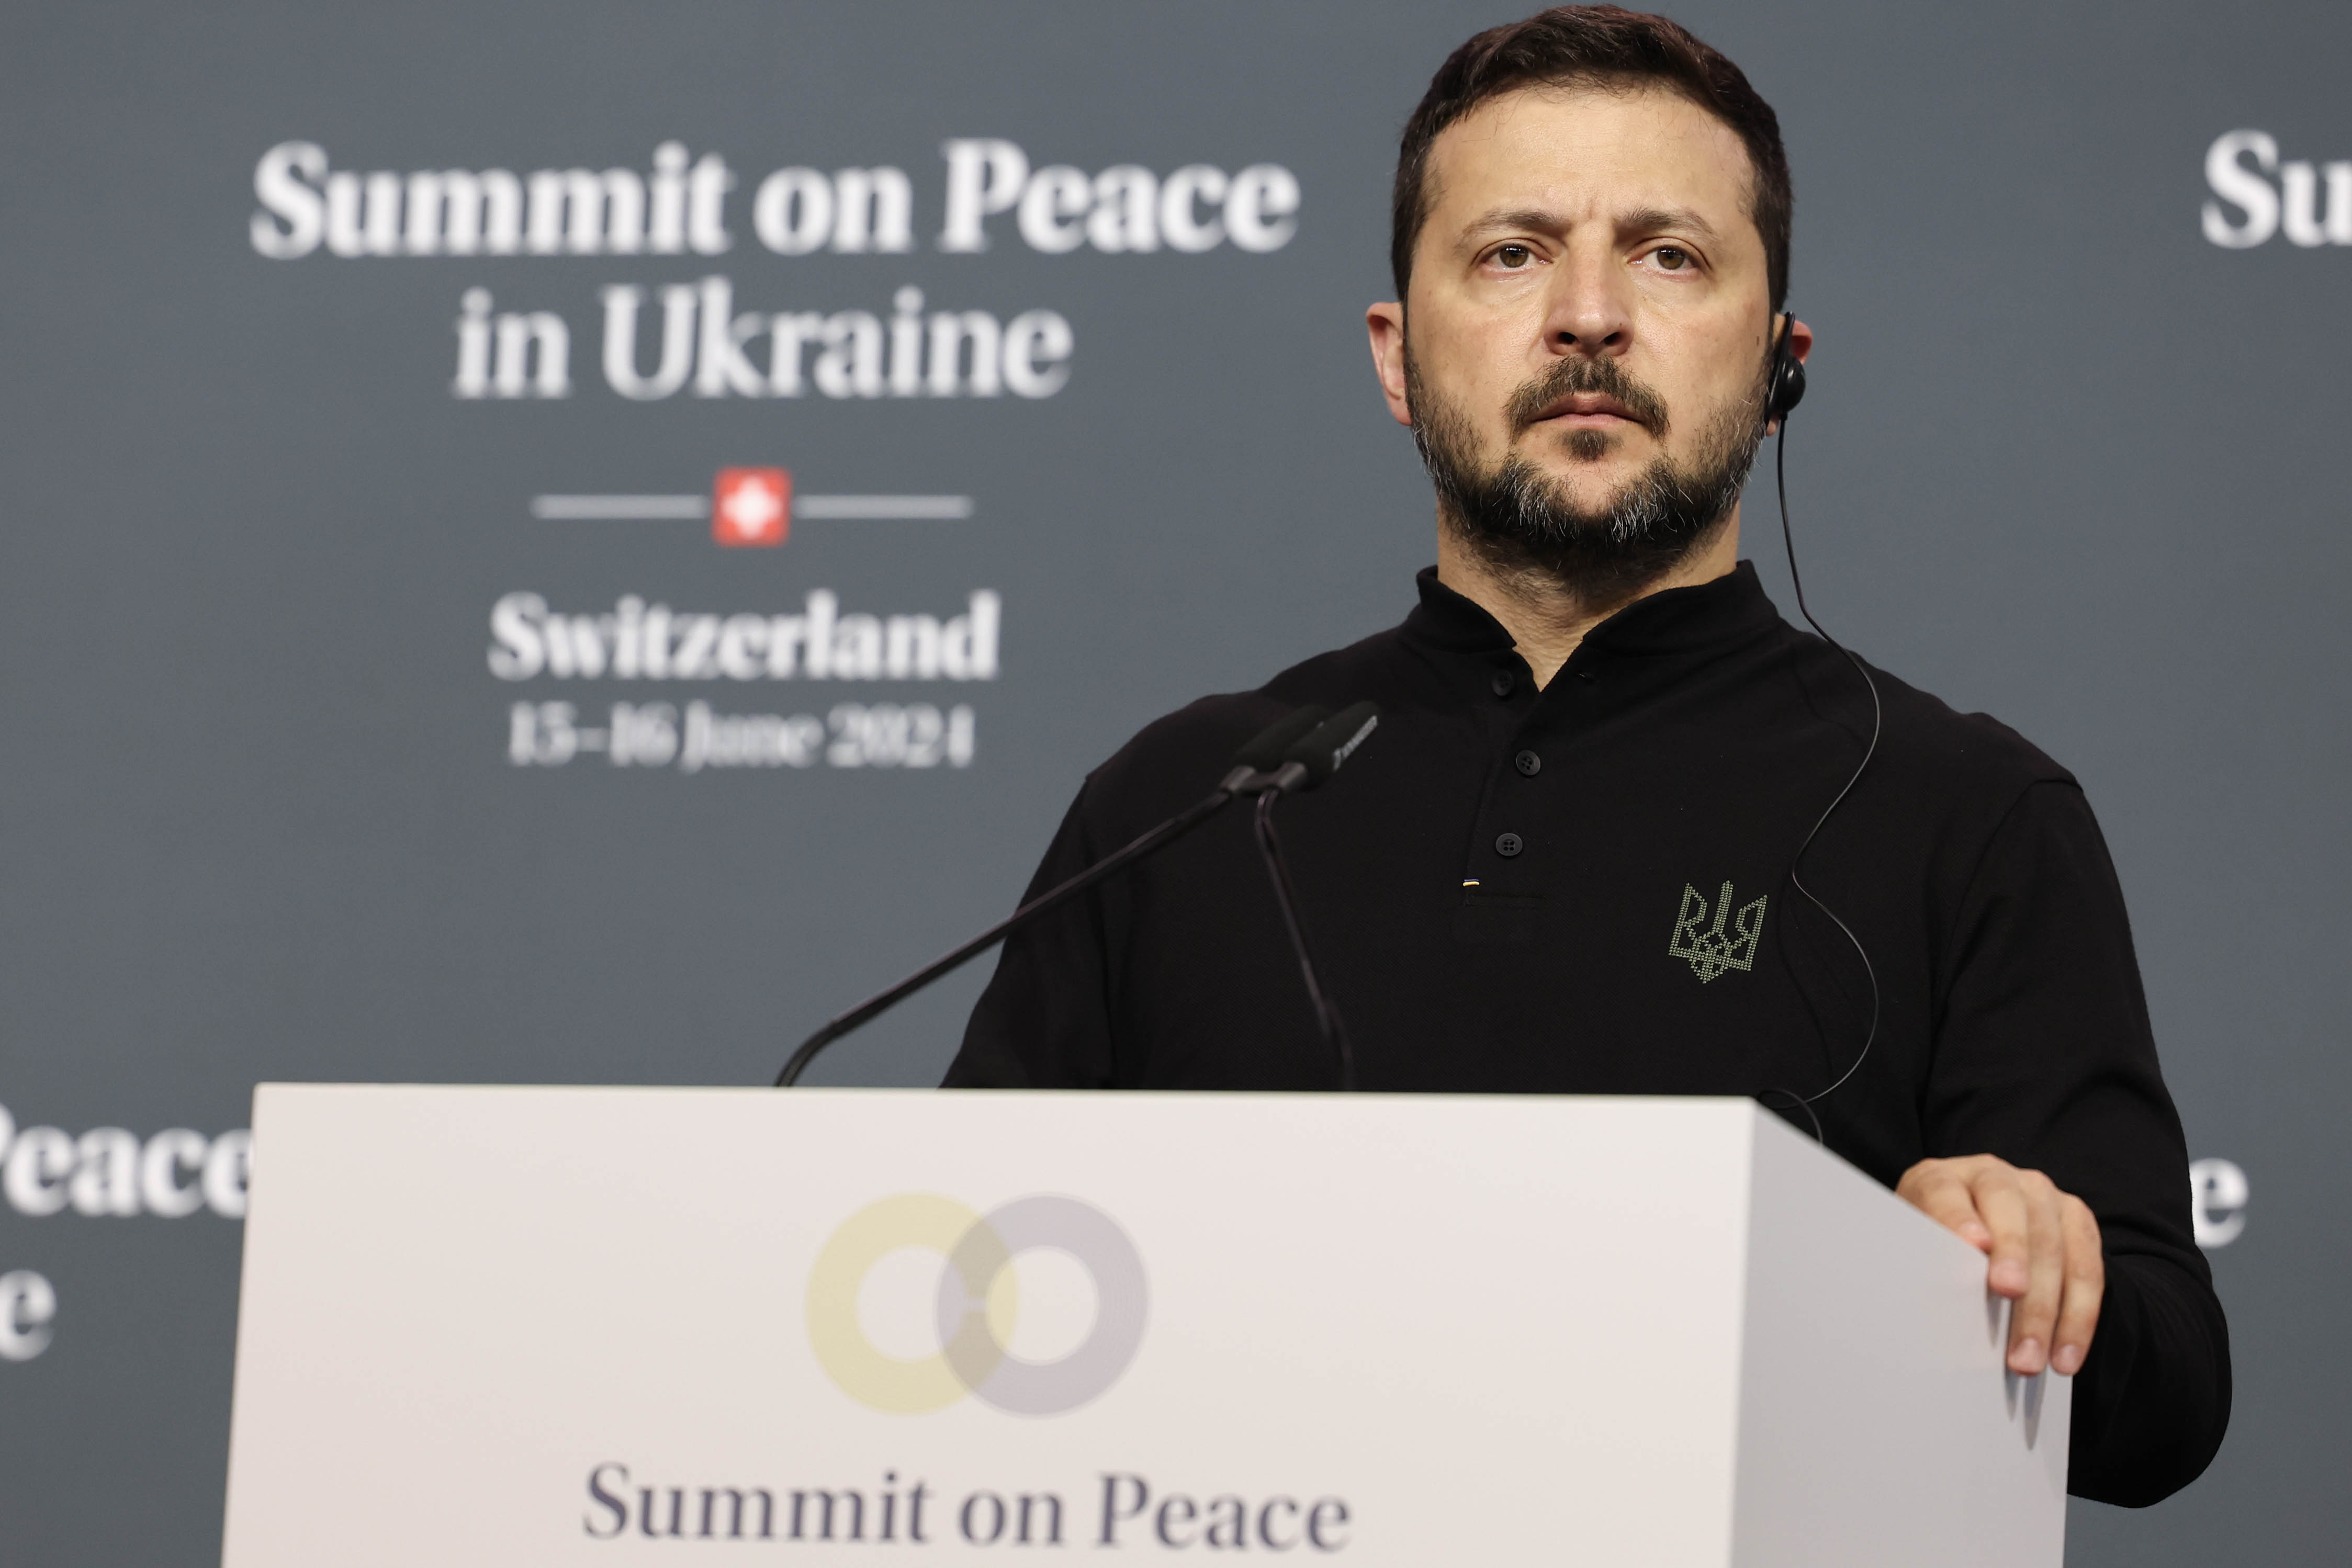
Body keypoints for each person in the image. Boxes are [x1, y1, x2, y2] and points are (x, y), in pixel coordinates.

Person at [942, 4, 2226, 1506]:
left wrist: (2020, 1268)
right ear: (1397, 355)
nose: (1591, 317)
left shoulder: (1972, 813)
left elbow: (2165, 1404)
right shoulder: (1183, 802)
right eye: (1512, 253)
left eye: (1670, 256)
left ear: (1781, 359)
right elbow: (960, 1305)